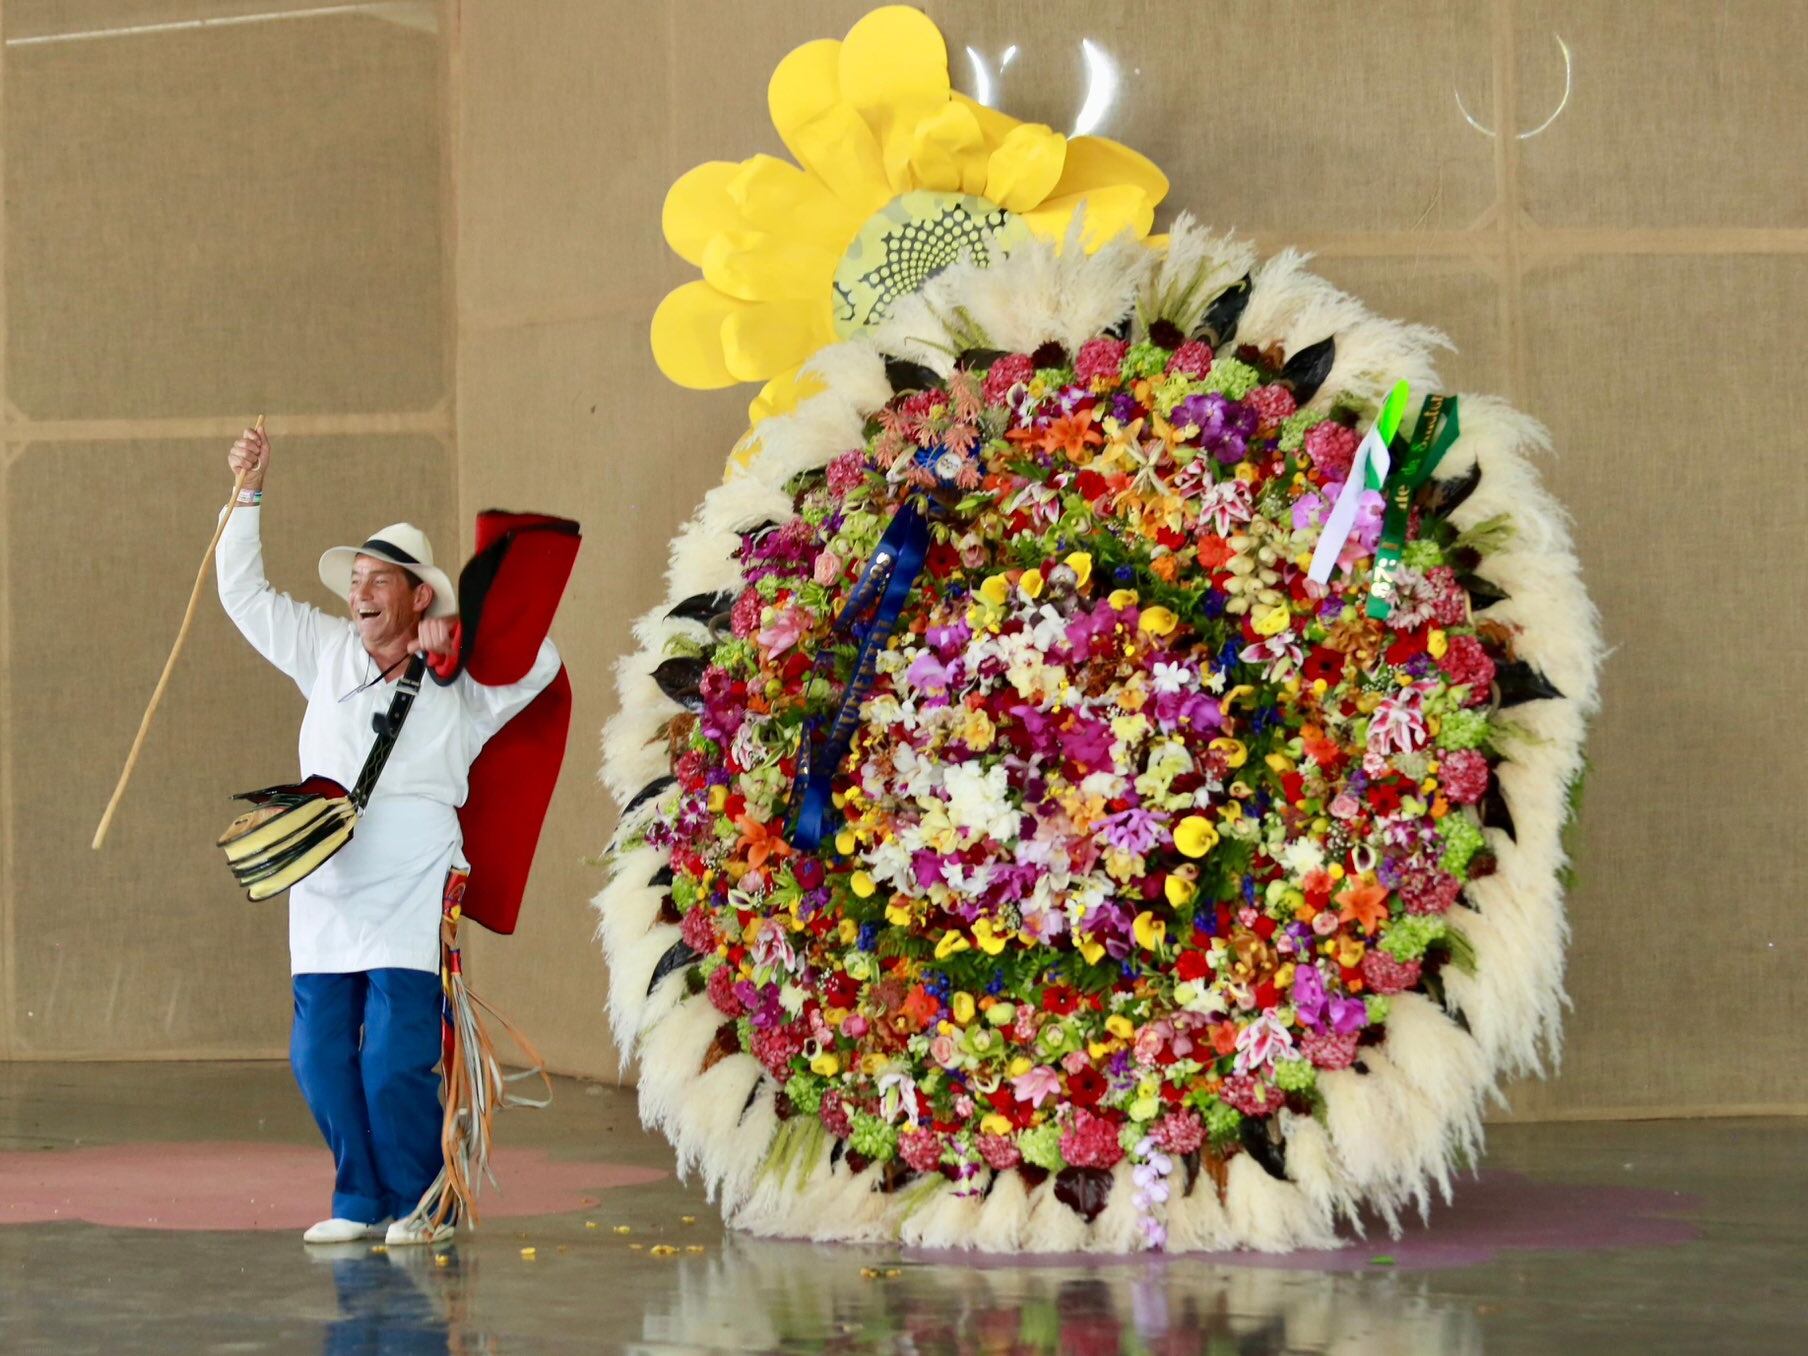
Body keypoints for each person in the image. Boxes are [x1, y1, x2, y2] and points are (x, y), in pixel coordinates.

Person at [217, 425, 560, 1247]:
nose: (361, 593)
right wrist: (248, 493)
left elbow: (542, 661)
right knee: (319, 1057)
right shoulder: (325, 650)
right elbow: (242, 593)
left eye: (380, 581)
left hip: (413, 881)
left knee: (395, 1056)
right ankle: (360, 1196)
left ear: (417, 596)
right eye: (356, 580)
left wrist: (462, 639)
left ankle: (425, 1197)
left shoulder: (465, 688)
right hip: (328, 878)